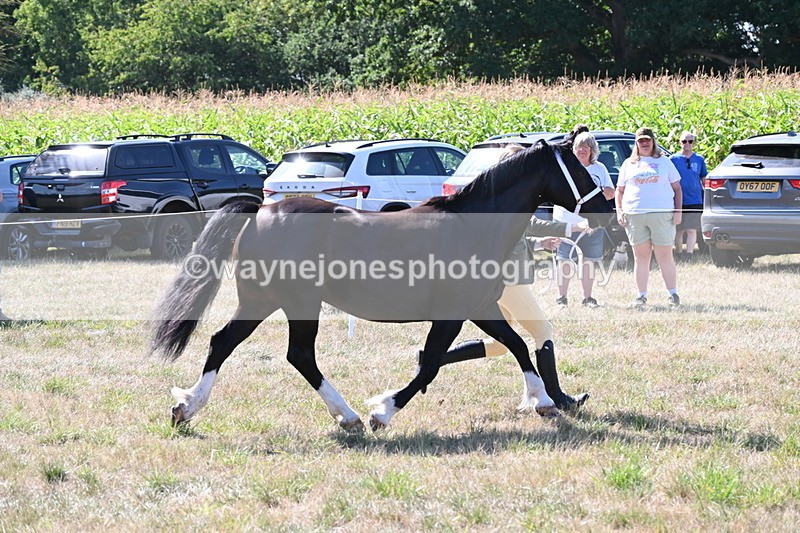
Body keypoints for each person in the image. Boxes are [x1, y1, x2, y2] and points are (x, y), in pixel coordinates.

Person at [417, 143, 589, 412]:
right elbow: (523, 228)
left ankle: (431, 358)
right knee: (542, 330)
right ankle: (556, 397)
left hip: (504, 276)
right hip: (508, 279)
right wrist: (570, 225)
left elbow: (522, 230)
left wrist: (539, 243)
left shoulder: (501, 197)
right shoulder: (503, 198)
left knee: (499, 344)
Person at [616, 127, 683, 307]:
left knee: (665, 256)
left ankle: (673, 294)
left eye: (647, 140)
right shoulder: (628, 164)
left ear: (653, 142)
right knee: (641, 257)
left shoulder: (664, 162)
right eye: (641, 141)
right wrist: (620, 211)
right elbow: (619, 191)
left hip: (661, 214)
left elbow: (677, 188)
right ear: (636, 144)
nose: (644, 144)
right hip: (635, 215)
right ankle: (641, 295)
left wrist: (678, 212)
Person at [555, 131, 615, 308]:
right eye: (578, 146)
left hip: (593, 223)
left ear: (592, 150)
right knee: (564, 260)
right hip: (567, 222)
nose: (581, 150)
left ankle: (588, 298)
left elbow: (610, 192)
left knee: (589, 260)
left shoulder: (599, 169)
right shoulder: (565, 168)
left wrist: (593, 198)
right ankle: (561, 298)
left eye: (586, 147)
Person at [670, 131, 708, 262]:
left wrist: (708, 194)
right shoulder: (673, 159)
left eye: (690, 141)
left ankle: (689, 255)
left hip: (695, 199)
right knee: (679, 230)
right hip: (678, 200)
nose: (687, 144)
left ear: (694, 143)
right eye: (684, 141)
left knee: (691, 229)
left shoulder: (699, 159)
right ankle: (679, 253)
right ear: (679, 142)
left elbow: (703, 178)